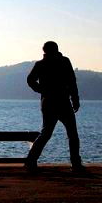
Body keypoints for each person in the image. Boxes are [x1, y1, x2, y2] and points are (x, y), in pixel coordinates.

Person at [25, 41, 84, 172]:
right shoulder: (64, 62)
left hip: (48, 102)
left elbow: (30, 80)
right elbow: (72, 81)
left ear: (44, 51)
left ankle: (31, 160)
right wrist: (75, 99)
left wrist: (42, 90)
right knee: (72, 134)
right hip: (63, 101)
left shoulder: (40, 64)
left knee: (46, 133)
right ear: (56, 49)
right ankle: (76, 164)